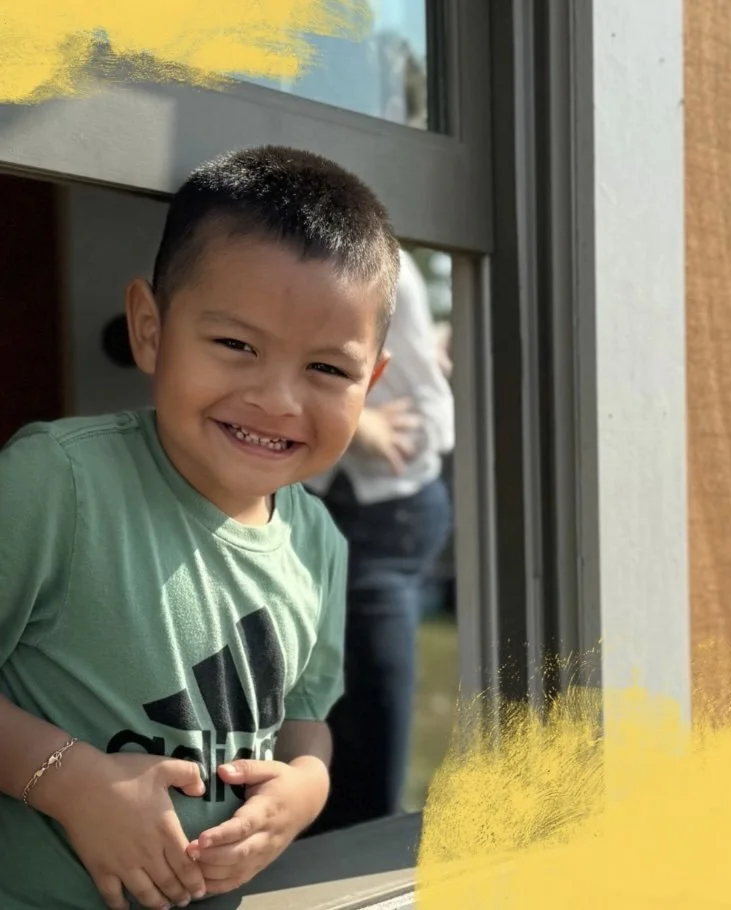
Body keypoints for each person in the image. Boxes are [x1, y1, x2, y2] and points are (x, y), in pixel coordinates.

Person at [0, 145, 401, 910]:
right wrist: (69, 783)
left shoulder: (319, 541)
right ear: (150, 329)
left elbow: (305, 721)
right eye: (236, 346)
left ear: (370, 382)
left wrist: (305, 789)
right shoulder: (58, 482)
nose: (277, 400)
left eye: (326, 369)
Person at [305, 248, 454, 833]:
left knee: (363, 722)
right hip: (349, 503)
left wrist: (354, 419)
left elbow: (419, 423)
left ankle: (362, 858)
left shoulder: (361, 256)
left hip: (380, 508)